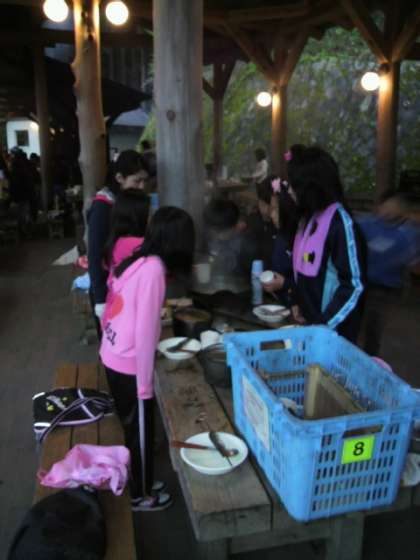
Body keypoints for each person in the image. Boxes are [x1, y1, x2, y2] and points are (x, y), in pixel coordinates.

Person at [100, 207, 195, 511]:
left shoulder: (140, 257)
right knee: (140, 433)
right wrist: (144, 385)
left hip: (112, 351)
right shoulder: (154, 270)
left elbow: (113, 296)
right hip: (128, 363)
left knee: (135, 430)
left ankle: (143, 480)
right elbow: (144, 331)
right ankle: (140, 496)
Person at [263, 145, 365, 343]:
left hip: (332, 332)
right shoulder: (308, 219)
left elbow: (354, 286)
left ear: (310, 187)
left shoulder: (340, 225)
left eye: (293, 185)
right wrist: (297, 301)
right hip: (311, 327)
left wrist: (323, 326)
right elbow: (304, 271)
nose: (289, 189)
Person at [87, 150, 149, 325]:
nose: (142, 186)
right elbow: (94, 254)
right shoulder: (102, 207)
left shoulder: (123, 200)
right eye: (137, 181)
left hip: (119, 285)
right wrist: (100, 299)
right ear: (119, 178)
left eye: (144, 181)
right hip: (106, 289)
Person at [357, 191, 420, 355]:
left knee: (374, 325)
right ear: (379, 206)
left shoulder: (407, 234)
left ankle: (370, 359)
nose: (390, 210)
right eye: (387, 205)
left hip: (385, 288)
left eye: (396, 206)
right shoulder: (366, 224)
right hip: (360, 282)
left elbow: (413, 263)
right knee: (355, 321)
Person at [246, 178, 278, 269]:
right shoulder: (254, 221)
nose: (266, 210)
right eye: (262, 204)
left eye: (271, 207)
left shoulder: (279, 225)